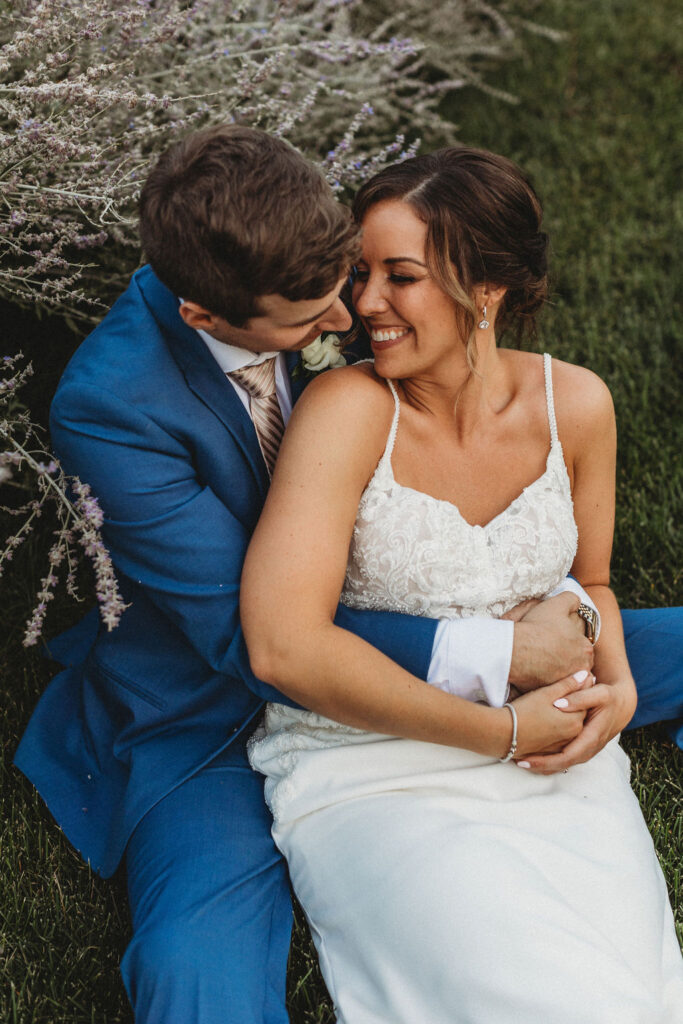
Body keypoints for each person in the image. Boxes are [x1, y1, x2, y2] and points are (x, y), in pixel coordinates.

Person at [11, 126, 680, 1023]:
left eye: (361, 276)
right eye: (314, 310)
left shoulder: (296, 261)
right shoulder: (112, 408)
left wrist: (601, 663)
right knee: (197, 973)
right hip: (215, 702)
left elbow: (585, 586)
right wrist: (496, 660)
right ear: (205, 317)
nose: (347, 318)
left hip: (433, 609)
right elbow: (263, 642)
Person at [243, 147, 683, 1021]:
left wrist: (619, 684)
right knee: (518, 989)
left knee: (634, 994)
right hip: (370, 768)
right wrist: (496, 730)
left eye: (399, 277)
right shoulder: (347, 412)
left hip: (557, 767)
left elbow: (590, 577)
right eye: (361, 273)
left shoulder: (577, 405)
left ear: (485, 290)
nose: (363, 303)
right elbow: (283, 645)